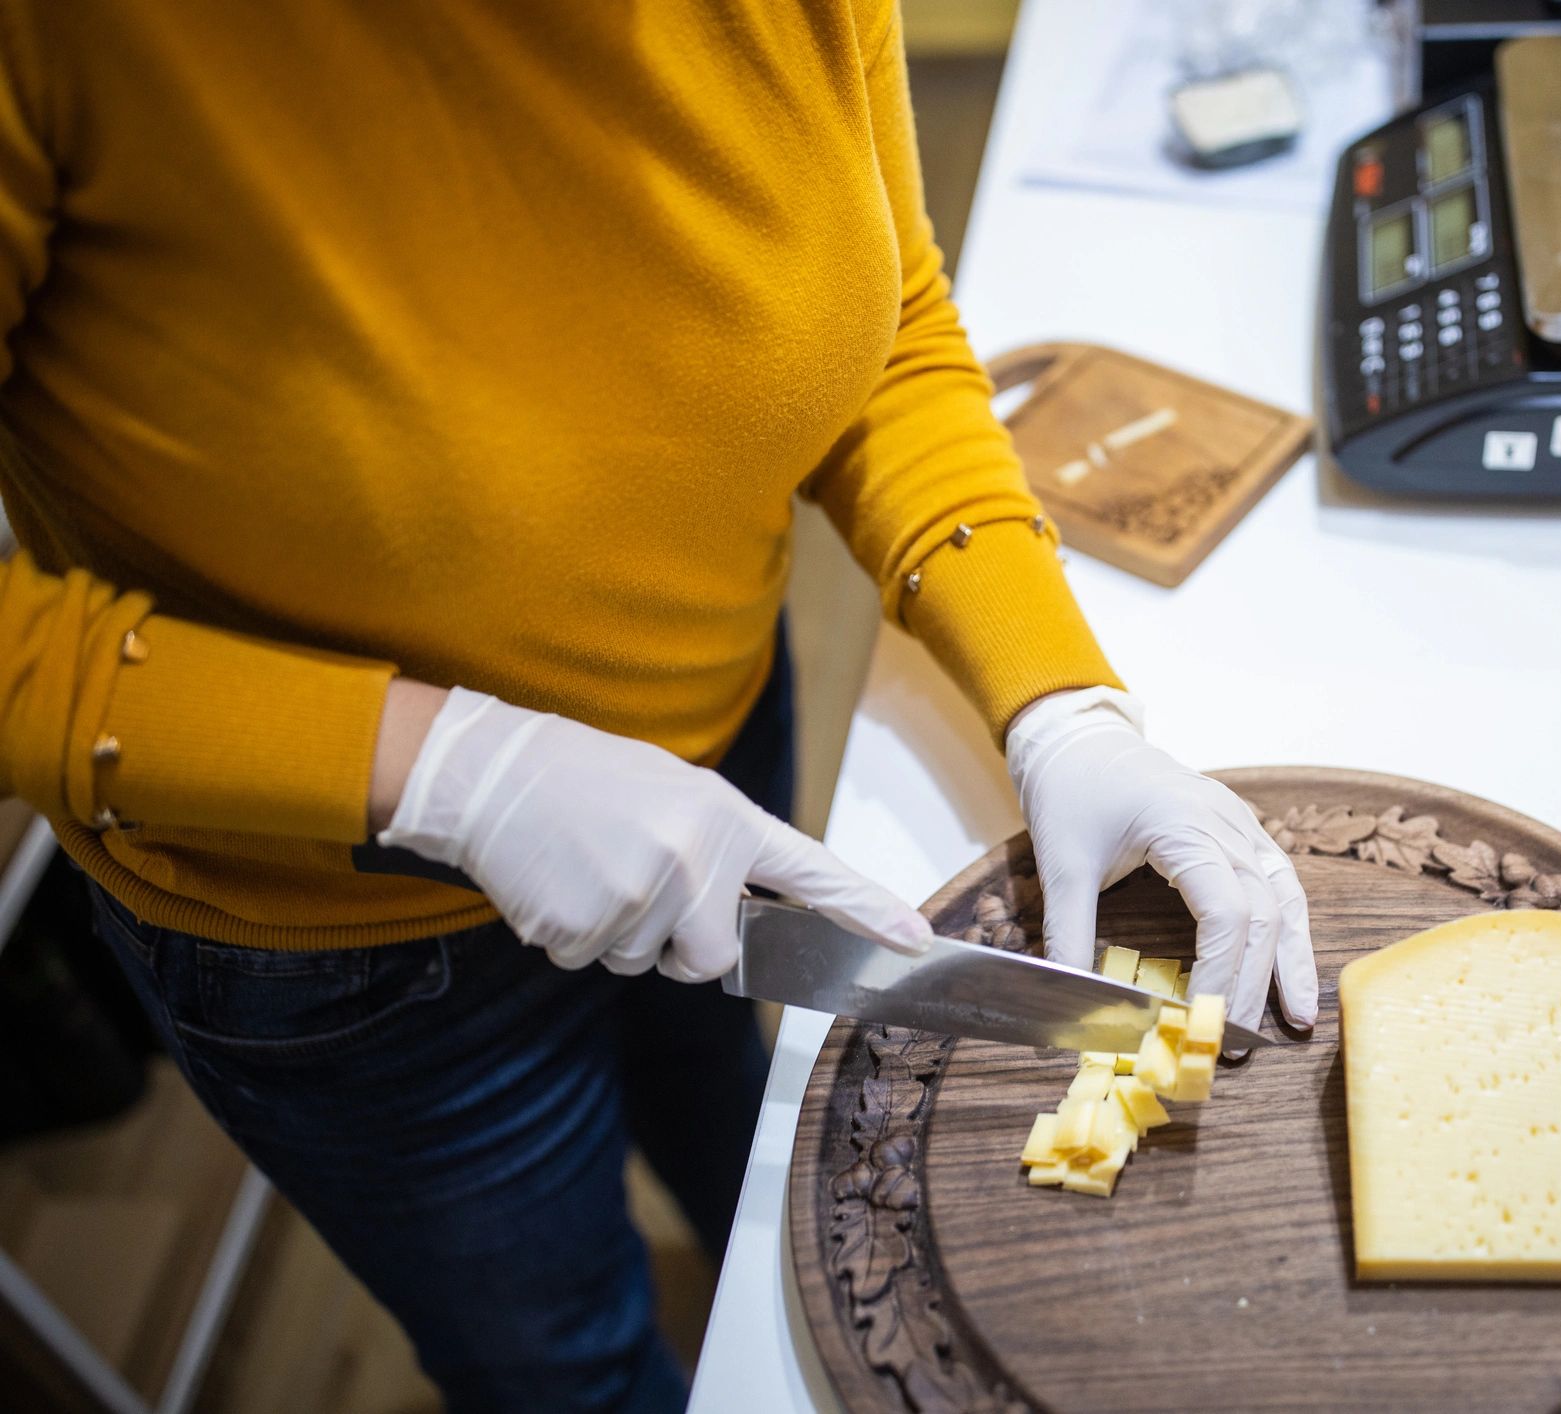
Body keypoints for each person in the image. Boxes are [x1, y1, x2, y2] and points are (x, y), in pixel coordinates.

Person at [0, 3, 1318, 1410]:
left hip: (716, 778)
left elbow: (888, 329)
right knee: (557, 1358)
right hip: (337, 939)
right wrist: (448, 769)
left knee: (746, 1140)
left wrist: (1059, 697)